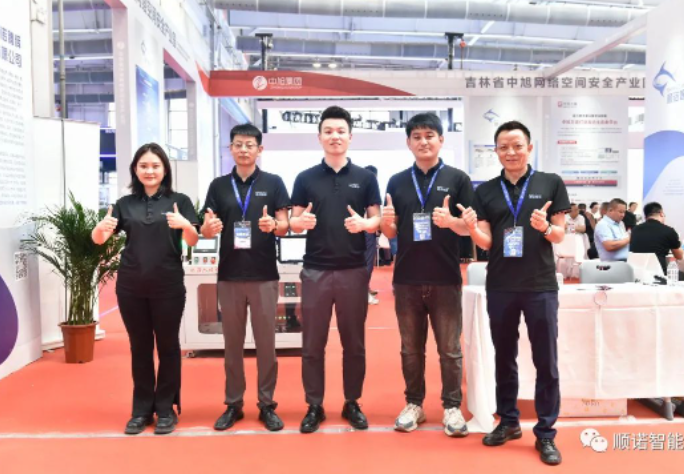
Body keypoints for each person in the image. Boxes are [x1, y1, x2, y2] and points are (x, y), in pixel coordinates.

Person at [464, 121, 570, 466]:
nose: (511, 152)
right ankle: (508, 421)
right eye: (503, 147)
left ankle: (546, 432)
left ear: (529, 148)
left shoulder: (550, 183)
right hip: (501, 285)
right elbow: (487, 242)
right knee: (504, 357)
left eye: (517, 145)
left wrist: (546, 227)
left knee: (546, 360)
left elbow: (560, 236)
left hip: (540, 285)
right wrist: (471, 229)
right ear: (496, 151)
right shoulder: (486, 191)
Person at [92, 143, 199, 435]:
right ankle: (141, 410)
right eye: (143, 166)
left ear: (164, 169)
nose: (149, 171)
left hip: (168, 285)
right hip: (131, 286)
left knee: (168, 347)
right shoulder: (124, 204)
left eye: (155, 166)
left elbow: (192, 240)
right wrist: (100, 227)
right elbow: (99, 239)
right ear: (135, 170)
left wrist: (185, 225)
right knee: (139, 348)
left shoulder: (179, 201)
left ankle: (165, 408)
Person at [380, 113, 474, 437]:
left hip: (445, 276)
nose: (423, 142)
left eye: (429, 135)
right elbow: (390, 231)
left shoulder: (458, 179)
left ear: (441, 140)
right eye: (417, 137)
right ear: (408, 143)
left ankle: (451, 407)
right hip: (406, 277)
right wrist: (386, 222)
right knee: (410, 349)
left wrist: (452, 222)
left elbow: (470, 228)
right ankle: (414, 404)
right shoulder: (396, 181)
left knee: (449, 349)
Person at [290, 106, 381, 433]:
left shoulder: (366, 178)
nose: (335, 136)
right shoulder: (305, 178)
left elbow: (376, 218)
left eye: (340, 131)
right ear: (319, 137)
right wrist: (300, 222)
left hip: (353, 271)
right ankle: (314, 405)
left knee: (354, 343)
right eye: (328, 131)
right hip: (315, 270)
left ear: (350, 136)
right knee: (312, 344)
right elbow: (294, 221)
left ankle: (351, 401)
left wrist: (365, 224)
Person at [200, 123, 291, 432]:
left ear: (259, 149)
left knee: (266, 345)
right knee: (232, 346)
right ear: (230, 149)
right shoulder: (218, 186)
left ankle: (267, 404)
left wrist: (274, 226)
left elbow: (285, 225)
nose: (243, 149)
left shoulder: (273, 183)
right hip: (229, 275)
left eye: (249, 145)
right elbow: (207, 226)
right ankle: (233, 404)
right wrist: (207, 229)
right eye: (238, 144)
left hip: (264, 275)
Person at [630, 202, 683, 278]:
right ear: (661, 214)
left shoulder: (635, 230)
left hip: (636, 274)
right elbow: (679, 256)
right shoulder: (668, 231)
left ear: (645, 217)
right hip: (659, 275)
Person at [364, 165, 380, 305]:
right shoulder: (368, 188)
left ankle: (366, 289)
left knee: (367, 262)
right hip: (366, 230)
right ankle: (364, 293)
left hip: (365, 229)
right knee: (367, 263)